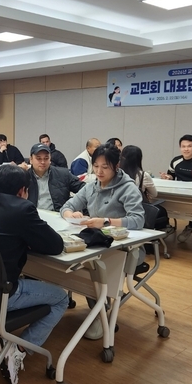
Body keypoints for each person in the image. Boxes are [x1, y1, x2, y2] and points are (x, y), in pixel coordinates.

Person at [0, 165, 67, 384]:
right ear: (22, 190)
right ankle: (19, 348)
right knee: (61, 298)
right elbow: (55, 245)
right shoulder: (23, 209)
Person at [60, 144, 145, 339]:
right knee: (79, 265)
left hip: (125, 248)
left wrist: (106, 221)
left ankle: (100, 314)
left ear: (116, 166)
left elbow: (138, 219)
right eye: (96, 166)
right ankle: (99, 308)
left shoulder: (128, 188)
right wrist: (70, 214)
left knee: (92, 268)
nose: (99, 171)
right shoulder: (92, 186)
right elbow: (67, 205)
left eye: (105, 167)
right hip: (96, 244)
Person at [161, 134, 192, 242]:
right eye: (183, 146)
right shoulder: (175, 161)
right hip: (178, 192)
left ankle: (190, 227)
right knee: (164, 201)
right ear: (180, 147)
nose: (186, 149)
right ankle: (167, 226)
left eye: (189, 146)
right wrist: (168, 177)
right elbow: (172, 176)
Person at [27, 143, 84, 211]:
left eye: (46, 158)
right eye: (38, 158)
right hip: (31, 215)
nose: (42, 162)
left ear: (50, 159)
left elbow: (85, 189)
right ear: (31, 159)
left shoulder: (63, 174)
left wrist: (73, 207)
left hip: (57, 214)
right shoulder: (23, 177)